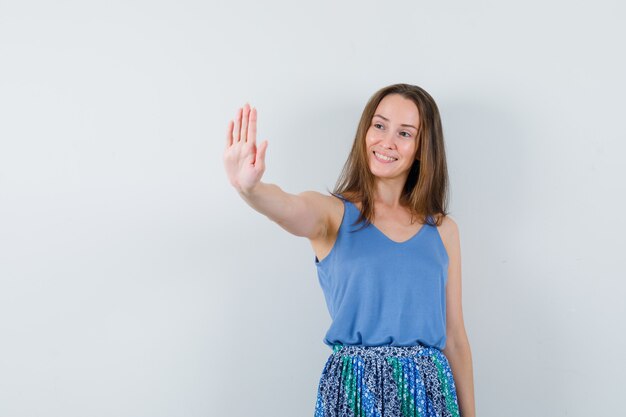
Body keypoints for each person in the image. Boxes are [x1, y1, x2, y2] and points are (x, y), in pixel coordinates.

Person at [223, 83, 476, 417]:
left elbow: (455, 338)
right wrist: (250, 189)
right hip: (356, 391)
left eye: (404, 133)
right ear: (365, 131)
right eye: (380, 125)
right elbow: (287, 207)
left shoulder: (443, 230)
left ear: (421, 148)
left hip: (427, 395)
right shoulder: (332, 214)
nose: (387, 141)